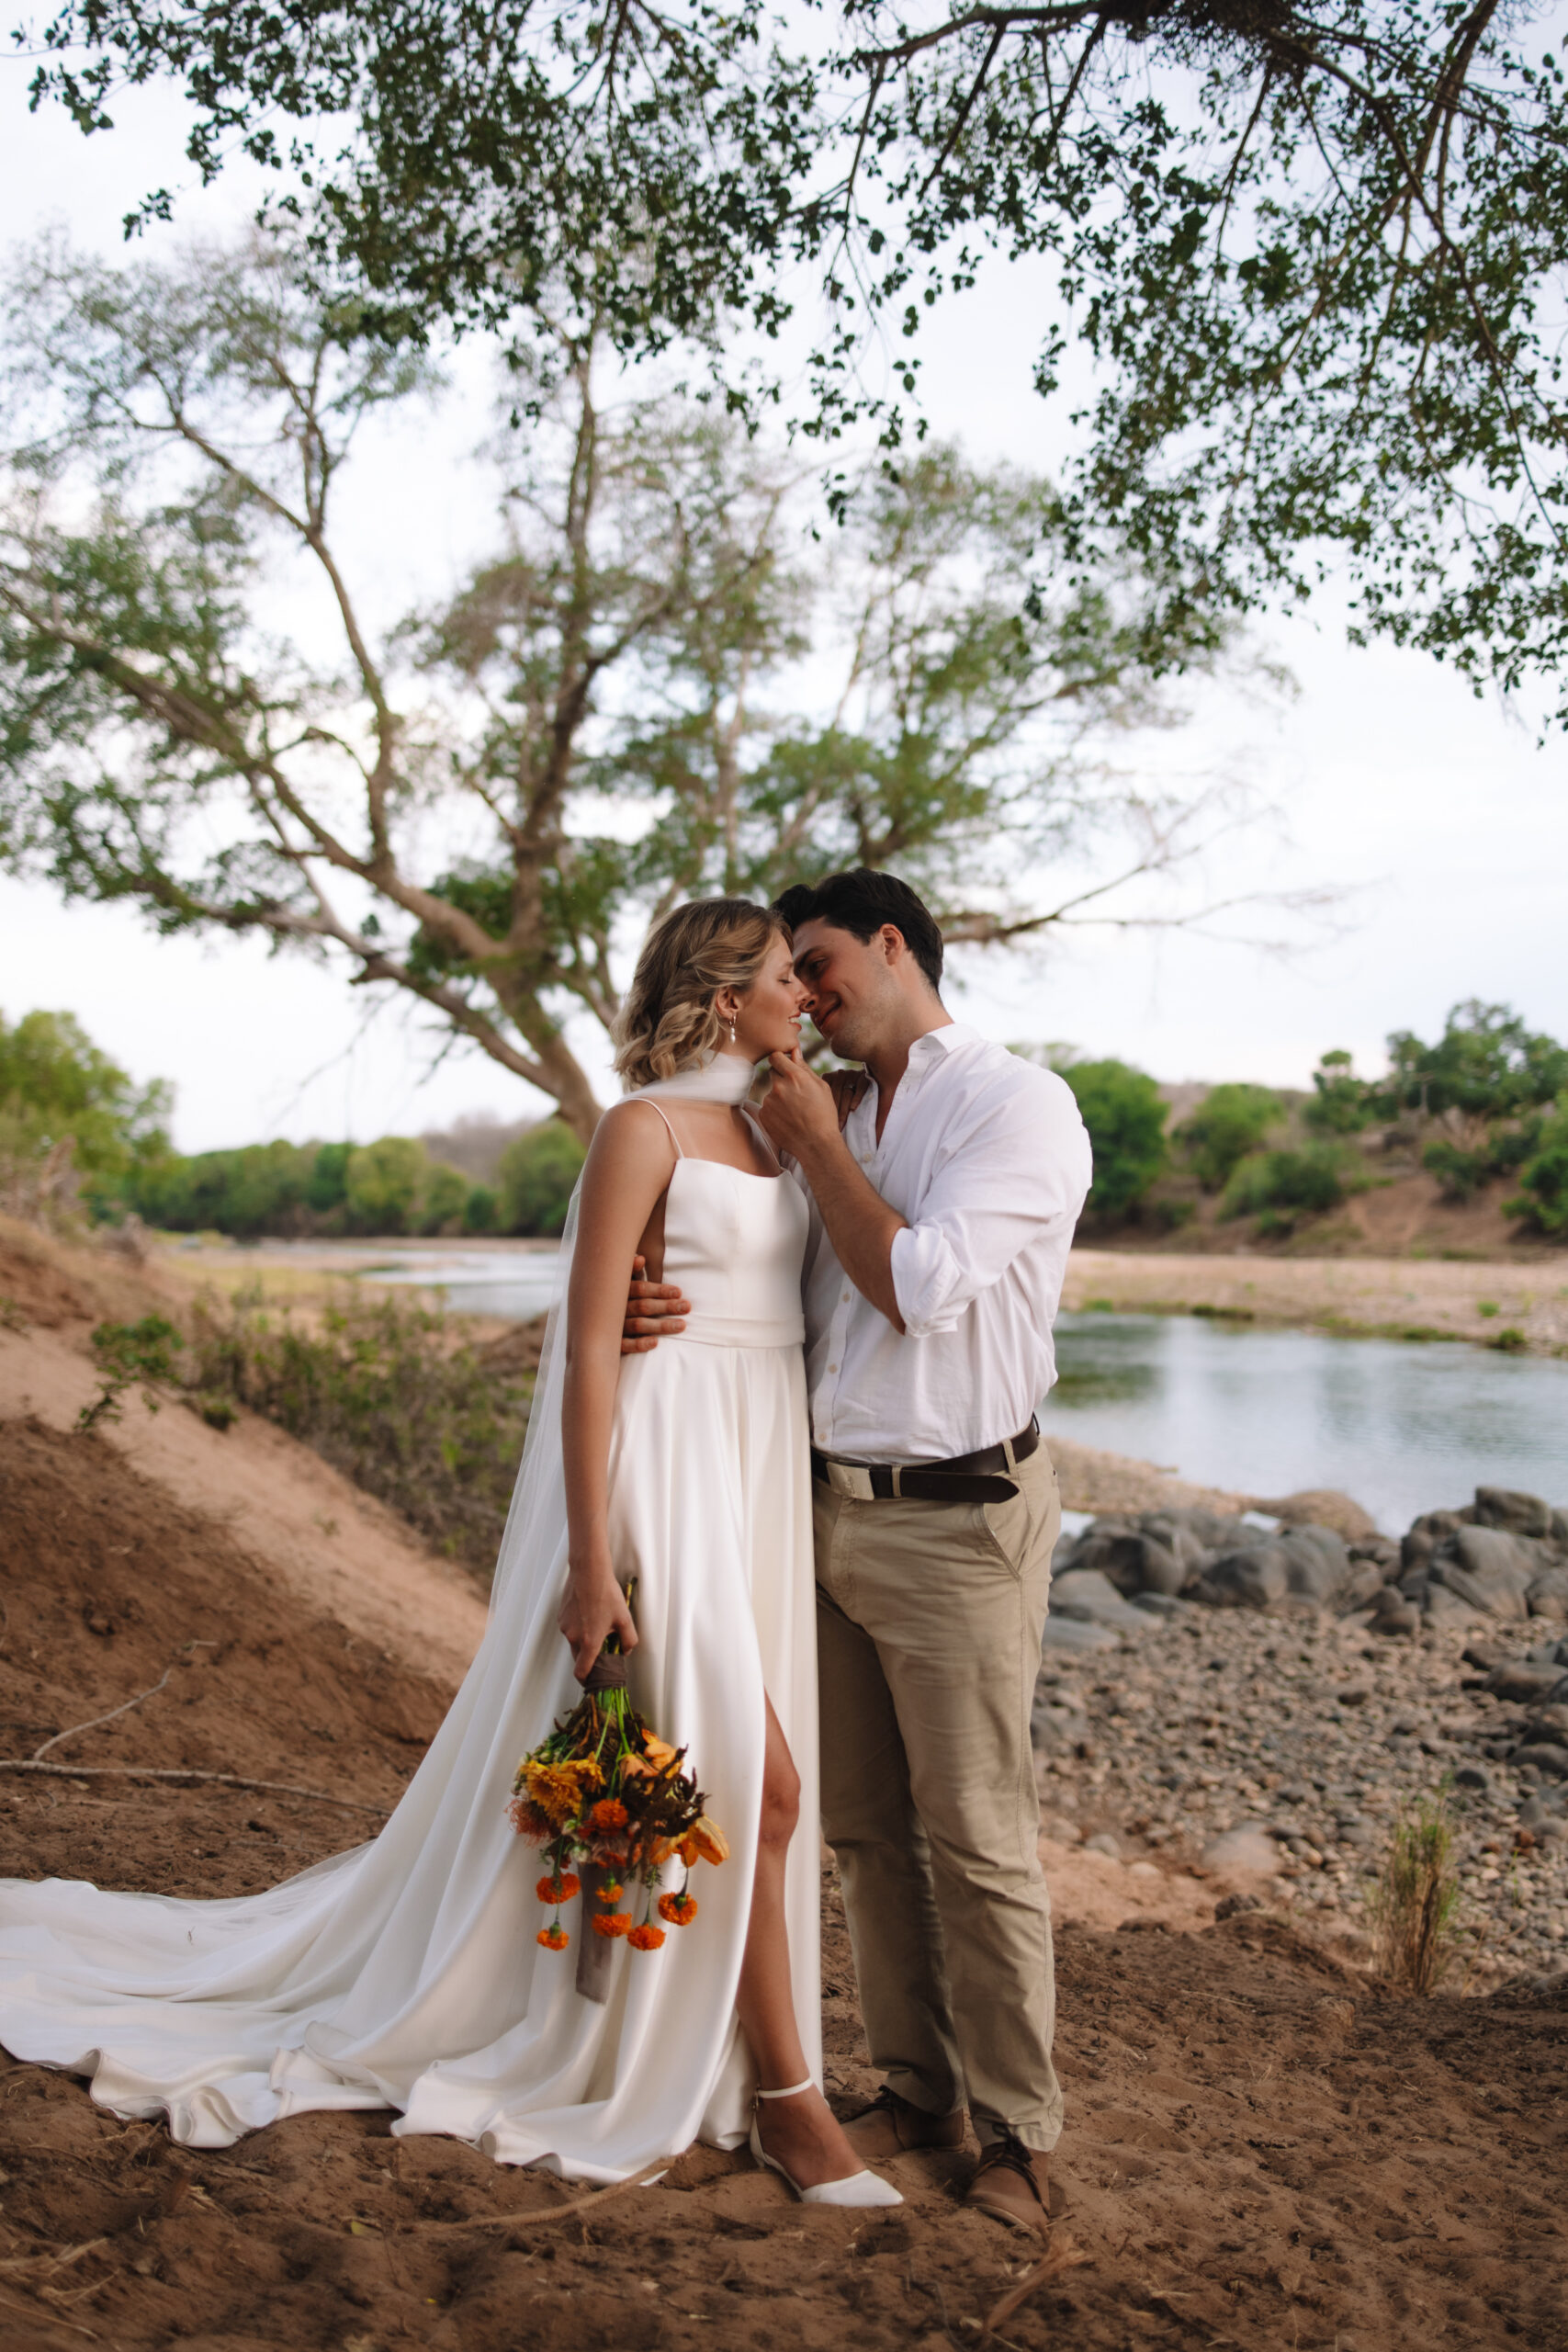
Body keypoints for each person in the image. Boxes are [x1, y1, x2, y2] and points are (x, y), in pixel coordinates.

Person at [0, 898, 898, 2207]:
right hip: (665, 1469)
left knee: (742, 1782)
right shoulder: (640, 1132)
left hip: (755, 1466)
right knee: (756, 1788)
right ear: (721, 1000)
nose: (803, 999)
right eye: (779, 979)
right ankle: (789, 2103)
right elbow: (592, 1346)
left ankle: (714, 2059)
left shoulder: (787, 1123)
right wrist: (592, 1564)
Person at [625, 869, 1091, 2235]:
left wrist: (821, 1143)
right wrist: (661, 1292)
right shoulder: (814, 1115)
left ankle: (1019, 2133)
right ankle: (918, 2087)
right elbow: (784, 1281)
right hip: (821, 1512)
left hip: (958, 1518)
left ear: (894, 947)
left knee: (978, 1835)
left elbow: (923, 1285)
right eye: (789, 974)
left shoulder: (1015, 1104)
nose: (808, 996)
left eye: (819, 965)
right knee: (864, 1829)